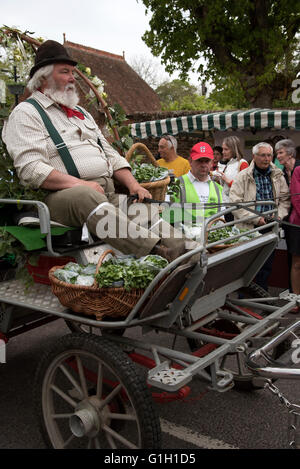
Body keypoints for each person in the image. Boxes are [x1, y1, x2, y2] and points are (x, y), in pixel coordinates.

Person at [2, 40, 195, 263]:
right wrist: (81, 184)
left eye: (73, 72)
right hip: (63, 199)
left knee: (142, 212)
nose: (73, 78)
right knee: (86, 196)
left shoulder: (81, 113)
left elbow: (111, 155)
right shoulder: (26, 113)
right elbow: (31, 169)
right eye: (65, 72)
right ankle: (156, 254)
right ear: (43, 77)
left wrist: (133, 184)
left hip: (104, 196)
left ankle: (187, 248)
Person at [230, 142, 290, 291]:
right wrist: (257, 218)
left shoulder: (277, 175)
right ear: (254, 156)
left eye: (269, 155)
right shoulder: (242, 176)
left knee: (266, 265)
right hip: (249, 227)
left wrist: (279, 216)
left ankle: (262, 298)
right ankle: (243, 299)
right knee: (247, 265)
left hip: (270, 225)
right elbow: (235, 204)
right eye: (263, 155)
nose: (266, 158)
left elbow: (285, 200)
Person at [171, 142, 223, 221]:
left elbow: (221, 218)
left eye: (207, 161)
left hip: (212, 232)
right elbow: (169, 216)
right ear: (190, 161)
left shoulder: (218, 188)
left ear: (212, 163)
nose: (203, 165)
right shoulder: (175, 184)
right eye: (199, 161)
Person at [275, 139, 300, 294]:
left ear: (290, 153)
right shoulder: (282, 174)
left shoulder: (298, 169)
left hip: (297, 221)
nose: (277, 156)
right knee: (293, 259)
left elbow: (297, 198)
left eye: (280, 152)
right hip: (289, 223)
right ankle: (294, 295)